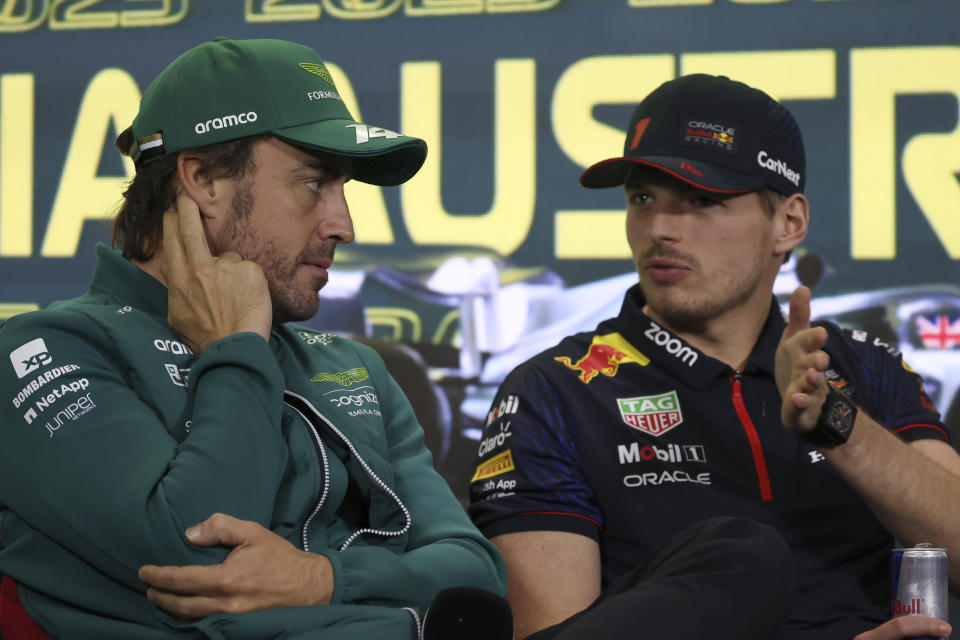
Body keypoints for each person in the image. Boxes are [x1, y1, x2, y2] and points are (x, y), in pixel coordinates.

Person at [0, 37, 506, 638]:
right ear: (204, 180)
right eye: (314, 182)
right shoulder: (46, 350)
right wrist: (235, 349)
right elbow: (198, 562)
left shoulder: (354, 366)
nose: (343, 224)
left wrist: (323, 580)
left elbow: (476, 576)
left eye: (344, 188)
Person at [468, 74, 960, 639]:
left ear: (788, 222)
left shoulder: (864, 367)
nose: (659, 229)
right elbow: (553, 634)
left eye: (702, 201)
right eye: (642, 198)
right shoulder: (554, 390)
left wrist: (837, 426)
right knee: (742, 554)